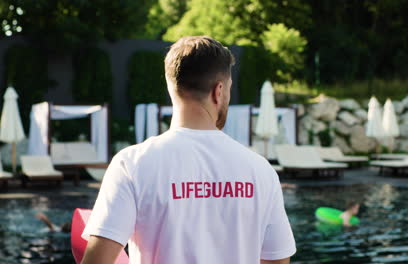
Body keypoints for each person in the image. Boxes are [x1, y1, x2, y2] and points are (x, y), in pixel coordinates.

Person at [81, 36, 296, 264]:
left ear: (171, 87)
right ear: (219, 91)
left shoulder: (132, 164)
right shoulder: (260, 170)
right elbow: (277, 260)